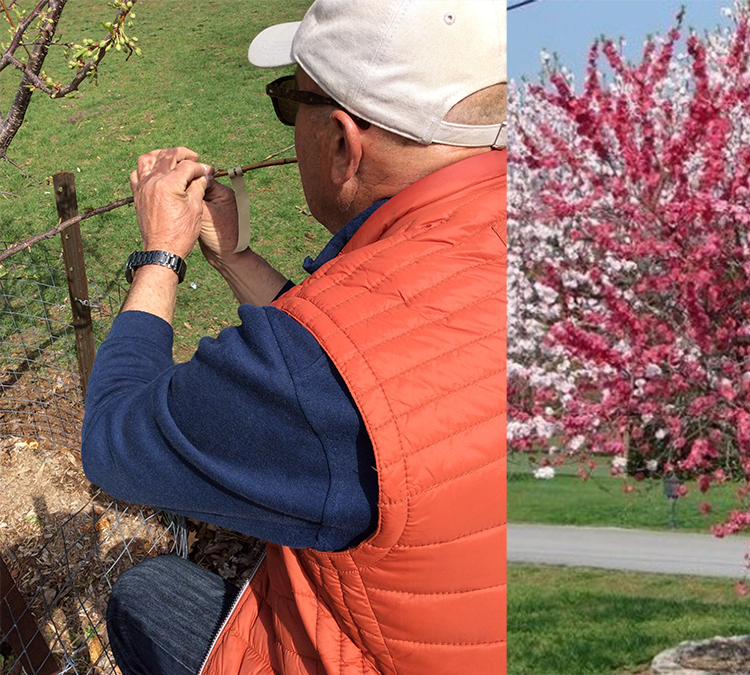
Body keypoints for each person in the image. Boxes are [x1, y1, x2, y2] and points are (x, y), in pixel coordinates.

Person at [79, 1, 506, 673]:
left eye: (289, 99)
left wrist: (162, 255)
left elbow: (113, 439)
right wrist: (234, 256)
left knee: (148, 594)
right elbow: (373, 358)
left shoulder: (313, 373)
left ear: (342, 140)